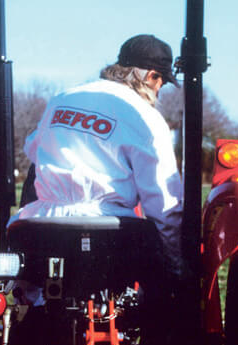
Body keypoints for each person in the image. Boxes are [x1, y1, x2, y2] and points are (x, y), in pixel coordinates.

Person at [13, 34, 184, 275]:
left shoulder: (63, 98)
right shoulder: (145, 117)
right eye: (161, 83)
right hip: (110, 232)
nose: (158, 92)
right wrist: (175, 264)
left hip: (45, 226)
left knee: (37, 296)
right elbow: (163, 202)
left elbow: (33, 150)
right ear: (151, 76)